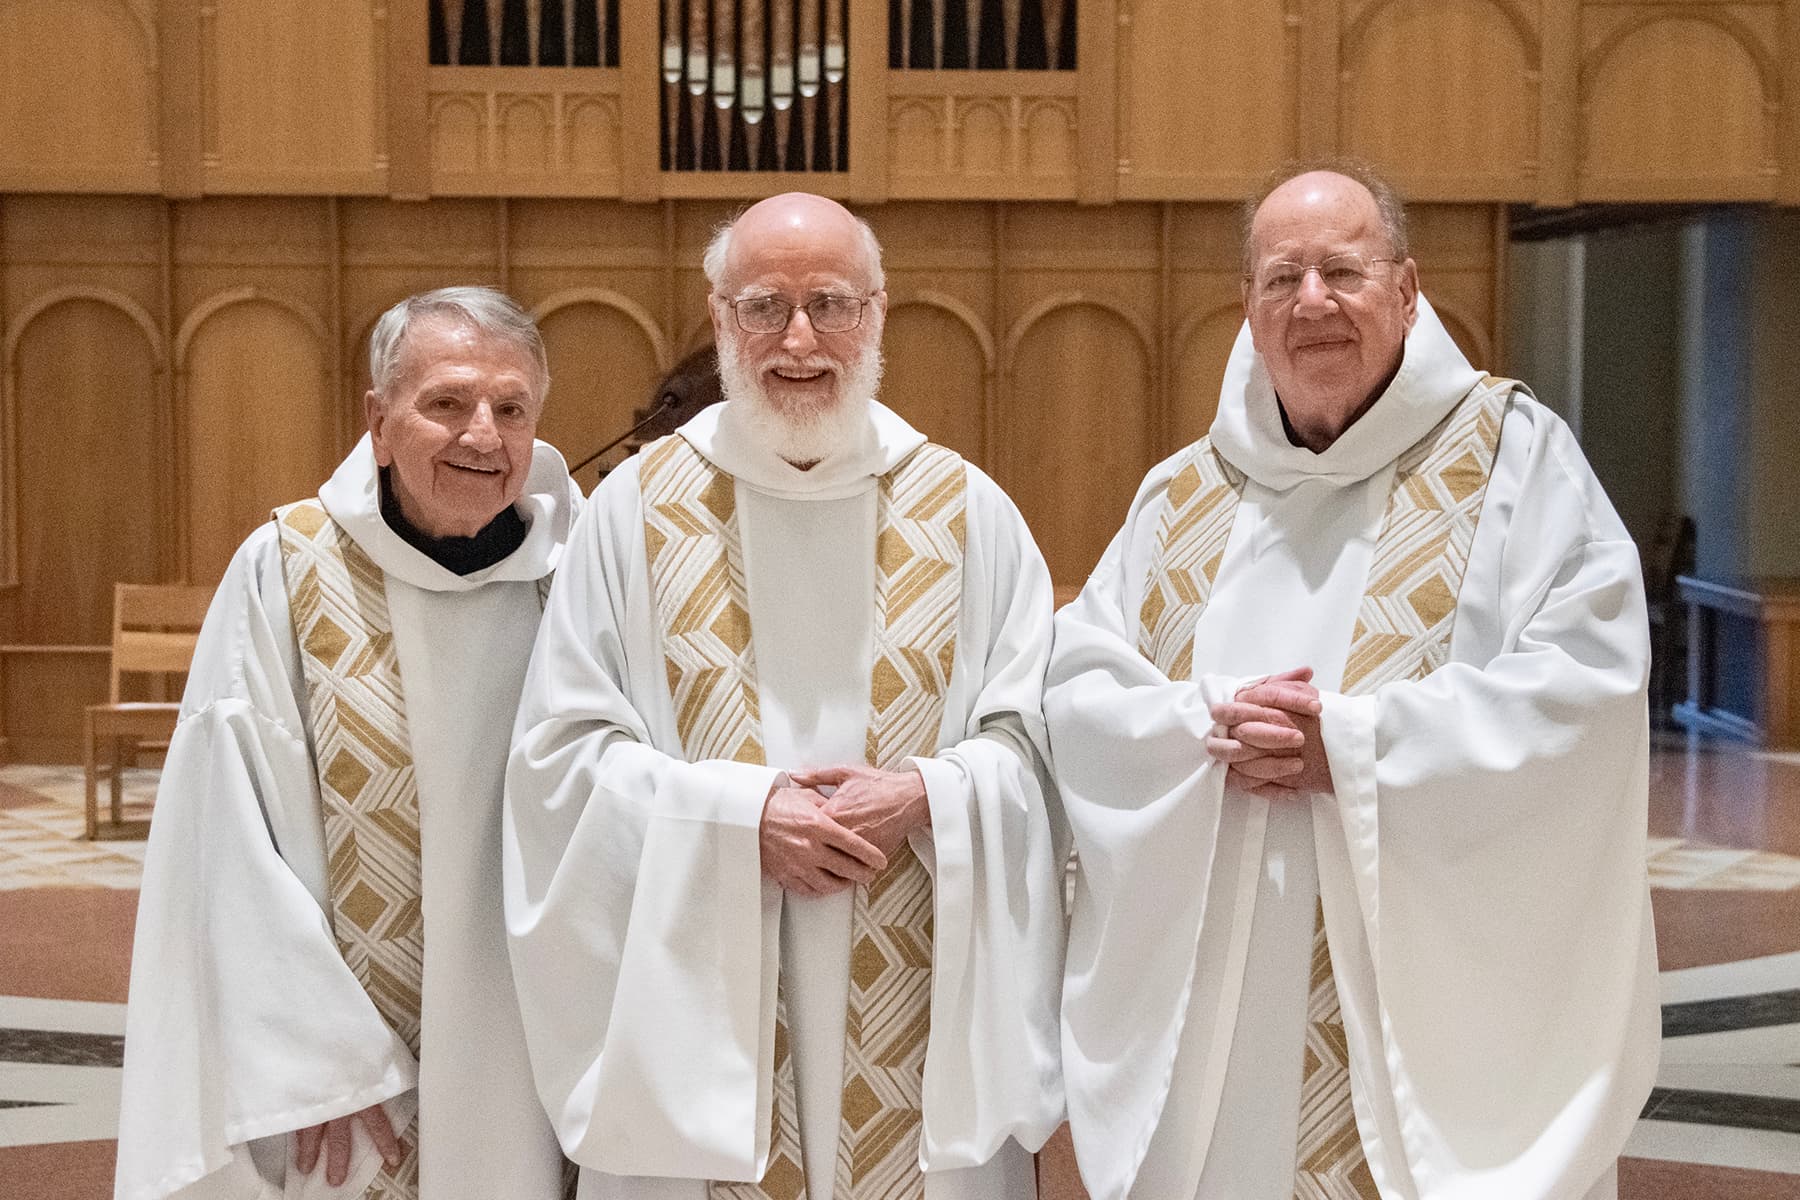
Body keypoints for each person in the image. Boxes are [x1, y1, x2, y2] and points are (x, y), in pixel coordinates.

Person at [1045, 163, 1658, 1200]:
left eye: (1342, 271)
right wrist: (1201, 727)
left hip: (1432, 1019)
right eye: (1282, 278)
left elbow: (1587, 687)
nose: (1312, 302)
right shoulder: (1184, 495)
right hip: (1219, 1033)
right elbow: (1079, 690)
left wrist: (1355, 748)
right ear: (1247, 306)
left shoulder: (1515, 462)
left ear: (1409, 290)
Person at [503, 192, 1066, 1200]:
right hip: (692, 1040)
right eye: (764, 306)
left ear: (879, 313)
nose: (799, 338)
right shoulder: (631, 516)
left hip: (917, 1026)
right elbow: (561, 760)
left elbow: (1035, 746)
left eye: (832, 304)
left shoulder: (973, 513)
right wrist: (735, 817)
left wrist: (927, 796)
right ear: (720, 320)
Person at [116, 286, 580, 1200]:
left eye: (511, 408)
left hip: (530, 1044)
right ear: (378, 419)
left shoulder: (578, 576)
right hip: (351, 1064)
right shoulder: (287, 567)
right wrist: (311, 1056)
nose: (482, 435)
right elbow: (225, 819)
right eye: (446, 402)